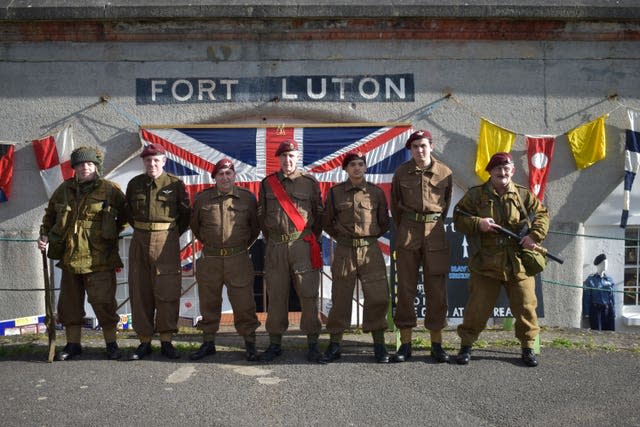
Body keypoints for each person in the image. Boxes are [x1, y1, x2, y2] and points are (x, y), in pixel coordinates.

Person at [452, 152, 550, 367]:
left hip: (517, 261)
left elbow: (542, 214)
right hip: (486, 262)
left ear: (512, 171)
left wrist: (533, 236)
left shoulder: (523, 195)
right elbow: (459, 218)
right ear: (490, 172)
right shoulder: (476, 195)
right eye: (498, 169)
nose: (503, 173)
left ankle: (527, 348)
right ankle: (466, 347)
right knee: (477, 308)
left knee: (525, 306)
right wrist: (479, 223)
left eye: (507, 169)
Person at [37, 146, 127, 361]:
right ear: (74, 168)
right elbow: (50, 215)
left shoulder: (110, 190)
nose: (84, 168)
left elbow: (125, 216)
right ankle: (73, 345)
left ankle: (111, 344)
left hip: (100, 259)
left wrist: (108, 234)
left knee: (104, 303)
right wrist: (44, 236)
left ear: (96, 166)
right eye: (79, 164)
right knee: (70, 304)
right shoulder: (64, 189)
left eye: (89, 164)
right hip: (70, 257)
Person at [321, 150, 391, 364]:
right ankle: (335, 345)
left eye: (361, 164)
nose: (357, 168)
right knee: (341, 298)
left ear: (365, 167)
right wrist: (343, 237)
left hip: (370, 250)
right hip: (344, 251)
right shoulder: (335, 193)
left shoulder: (376, 193)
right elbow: (327, 221)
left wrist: (366, 238)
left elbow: (383, 223)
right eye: (353, 165)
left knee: (378, 296)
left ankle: (379, 344)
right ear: (346, 169)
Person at [390, 130, 453, 363]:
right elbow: (395, 206)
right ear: (411, 149)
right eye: (415, 146)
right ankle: (405, 345)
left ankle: (436, 345)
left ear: (431, 146)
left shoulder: (445, 173)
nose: (419, 150)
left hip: (435, 233)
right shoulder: (401, 172)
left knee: (436, 290)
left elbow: (444, 206)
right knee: (406, 289)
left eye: (423, 145)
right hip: (408, 231)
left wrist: (430, 223)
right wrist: (409, 225)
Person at [257, 140, 324, 362]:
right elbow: (262, 216)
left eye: (292, 156)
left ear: (298, 157)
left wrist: (305, 239)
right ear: (278, 158)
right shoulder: (268, 184)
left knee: (308, 294)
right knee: (276, 295)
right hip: (276, 246)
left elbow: (318, 216)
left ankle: (313, 344)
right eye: (284, 156)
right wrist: (276, 239)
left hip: (302, 246)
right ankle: (275, 343)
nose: (288, 160)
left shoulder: (309, 183)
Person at [189, 159, 261, 361]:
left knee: (244, 303)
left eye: (229, 173)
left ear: (234, 176)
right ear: (214, 177)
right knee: (209, 303)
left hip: (237, 259)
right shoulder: (203, 199)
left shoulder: (247, 199)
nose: (225, 177)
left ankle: (250, 344)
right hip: (210, 259)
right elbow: (196, 226)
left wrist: (239, 247)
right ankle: (208, 342)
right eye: (221, 174)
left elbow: (255, 228)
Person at [125, 143, 191, 360]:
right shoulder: (135, 184)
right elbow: (128, 213)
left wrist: (169, 234)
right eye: (147, 160)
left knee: (167, 289)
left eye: (156, 160)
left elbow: (185, 215)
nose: (151, 164)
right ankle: (144, 341)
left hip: (167, 241)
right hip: (140, 240)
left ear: (164, 161)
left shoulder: (175, 184)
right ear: (143, 162)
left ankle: (166, 340)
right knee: (140, 289)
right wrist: (146, 231)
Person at [583, 253, 616, 331]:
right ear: (598, 265)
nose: (606, 265)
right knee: (597, 332)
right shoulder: (591, 280)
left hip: (608, 309)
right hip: (596, 309)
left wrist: (613, 311)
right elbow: (587, 297)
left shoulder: (609, 280)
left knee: (610, 332)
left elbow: (612, 297)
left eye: (607, 263)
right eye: (604, 263)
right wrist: (586, 312)